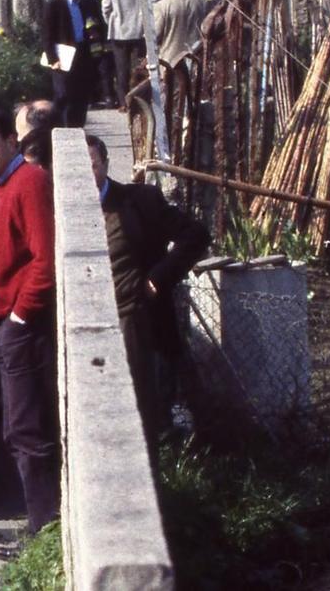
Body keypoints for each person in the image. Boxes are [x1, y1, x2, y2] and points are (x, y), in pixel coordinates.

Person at [0, 109, 58, 560]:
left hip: (22, 329)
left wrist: (20, 316)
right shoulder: (3, 187)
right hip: (4, 326)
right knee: (16, 430)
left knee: (28, 431)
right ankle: (40, 529)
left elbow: (45, 259)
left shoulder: (29, 182)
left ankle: (45, 537)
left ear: (10, 142)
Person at [87, 136, 210, 444]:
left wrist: (159, 278)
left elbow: (195, 235)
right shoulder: (56, 211)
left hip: (138, 320)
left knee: (145, 408)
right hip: (88, 325)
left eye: (92, 164)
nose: (87, 174)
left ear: (105, 163)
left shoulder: (139, 201)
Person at [39, 0, 104, 128]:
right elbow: (47, 34)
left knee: (81, 95)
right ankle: (60, 128)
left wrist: (96, 34)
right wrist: (53, 59)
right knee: (63, 94)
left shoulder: (89, 3)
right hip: (63, 55)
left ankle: (77, 128)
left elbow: (100, 24)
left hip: (84, 53)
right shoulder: (54, 5)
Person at [100, 0, 150, 111]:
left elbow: (106, 8)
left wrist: (112, 22)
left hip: (118, 31)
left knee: (121, 69)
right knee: (140, 67)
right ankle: (141, 100)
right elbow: (152, 5)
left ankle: (124, 102)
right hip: (140, 30)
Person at [151, 0, 211, 70]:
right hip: (196, 59)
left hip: (169, 63)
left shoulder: (161, 6)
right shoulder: (202, 3)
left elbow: (155, 36)